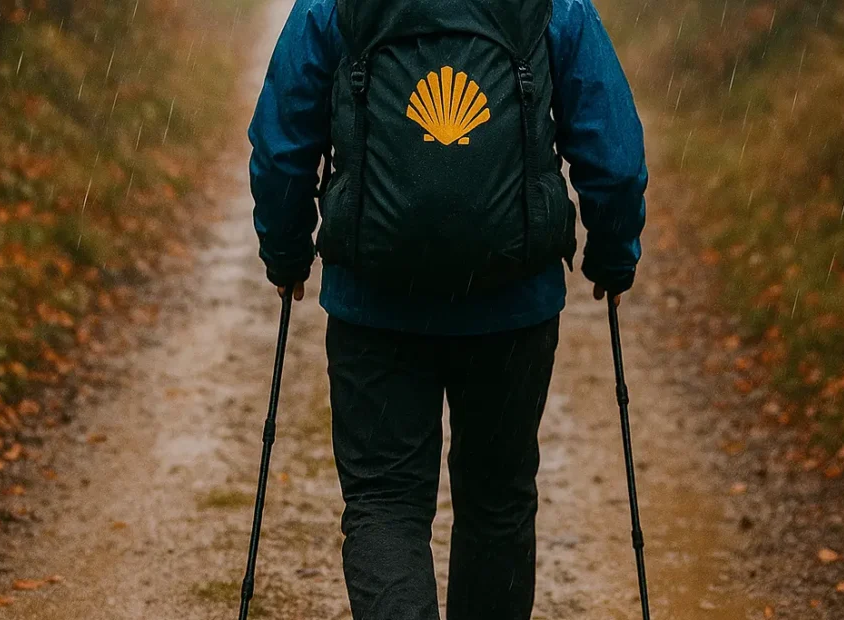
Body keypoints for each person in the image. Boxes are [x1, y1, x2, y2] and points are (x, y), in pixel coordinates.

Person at [248, 0, 647, 617]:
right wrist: (614, 251)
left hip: (374, 302)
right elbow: (614, 155)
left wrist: (285, 251)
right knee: (498, 503)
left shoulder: (334, 5)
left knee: (384, 503)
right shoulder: (555, 5)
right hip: (512, 304)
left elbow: (281, 143)